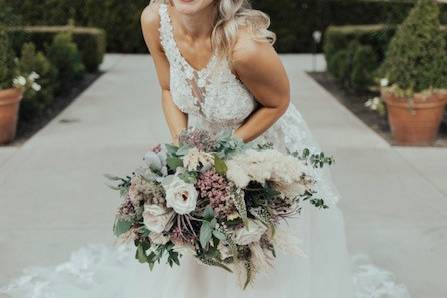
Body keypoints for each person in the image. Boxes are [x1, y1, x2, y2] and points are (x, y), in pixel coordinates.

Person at [0, 1, 410, 297]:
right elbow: (167, 89)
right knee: (196, 236)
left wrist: (223, 153)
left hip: (262, 146)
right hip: (201, 145)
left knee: (257, 246)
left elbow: (277, 103)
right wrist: (186, 149)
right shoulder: (153, 19)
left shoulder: (244, 46)